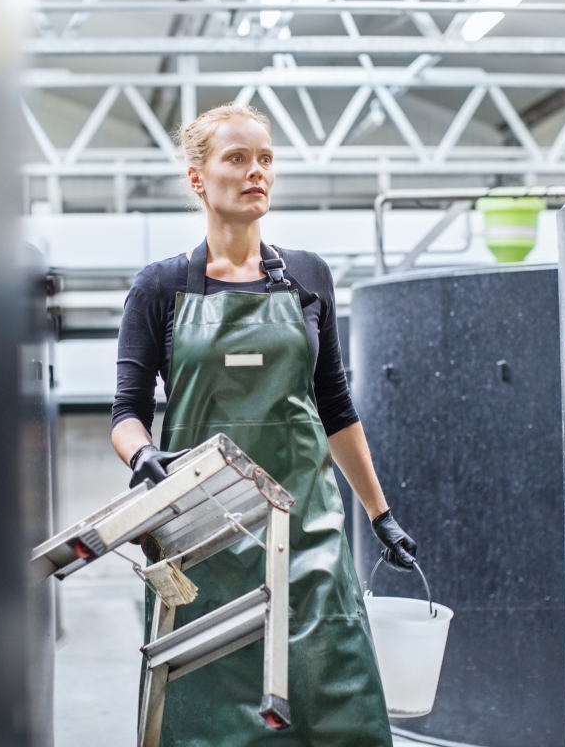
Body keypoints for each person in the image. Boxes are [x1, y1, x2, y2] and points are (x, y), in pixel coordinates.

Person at [111, 103, 417, 746]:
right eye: (238, 158)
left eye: (266, 158)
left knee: (332, 700)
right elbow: (127, 414)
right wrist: (143, 457)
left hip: (308, 530)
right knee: (208, 711)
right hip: (203, 539)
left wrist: (380, 515)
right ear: (198, 179)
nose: (258, 172)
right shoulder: (160, 287)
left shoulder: (307, 278)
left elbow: (335, 408)